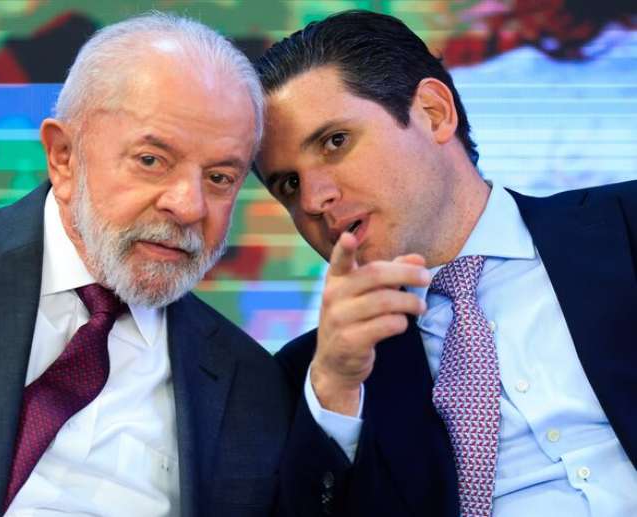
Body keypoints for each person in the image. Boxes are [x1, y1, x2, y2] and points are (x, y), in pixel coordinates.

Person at [0, 12, 345, 517]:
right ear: (64, 156)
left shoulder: (252, 384)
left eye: (220, 178)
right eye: (151, 160)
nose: (188, 206)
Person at [254, 9, 637, 517]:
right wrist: (336, 389)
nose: (313, 199)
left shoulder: (625, 224)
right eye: (288, 184)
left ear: (434, 113)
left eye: (335, 142)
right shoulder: (316, 380)